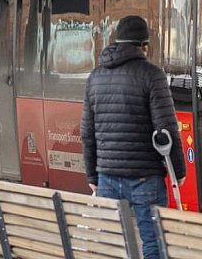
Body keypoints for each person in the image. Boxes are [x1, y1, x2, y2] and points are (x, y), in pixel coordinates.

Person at [80, 15, 186, 259]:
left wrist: (92, 176)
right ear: (144, 46)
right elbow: (166, 130)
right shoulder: (152, 75)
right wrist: (178, 172)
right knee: (153, 241)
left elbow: (87, 133)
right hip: (145, 178)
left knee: (115, 243)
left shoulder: (95, 76)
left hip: (107, 177)